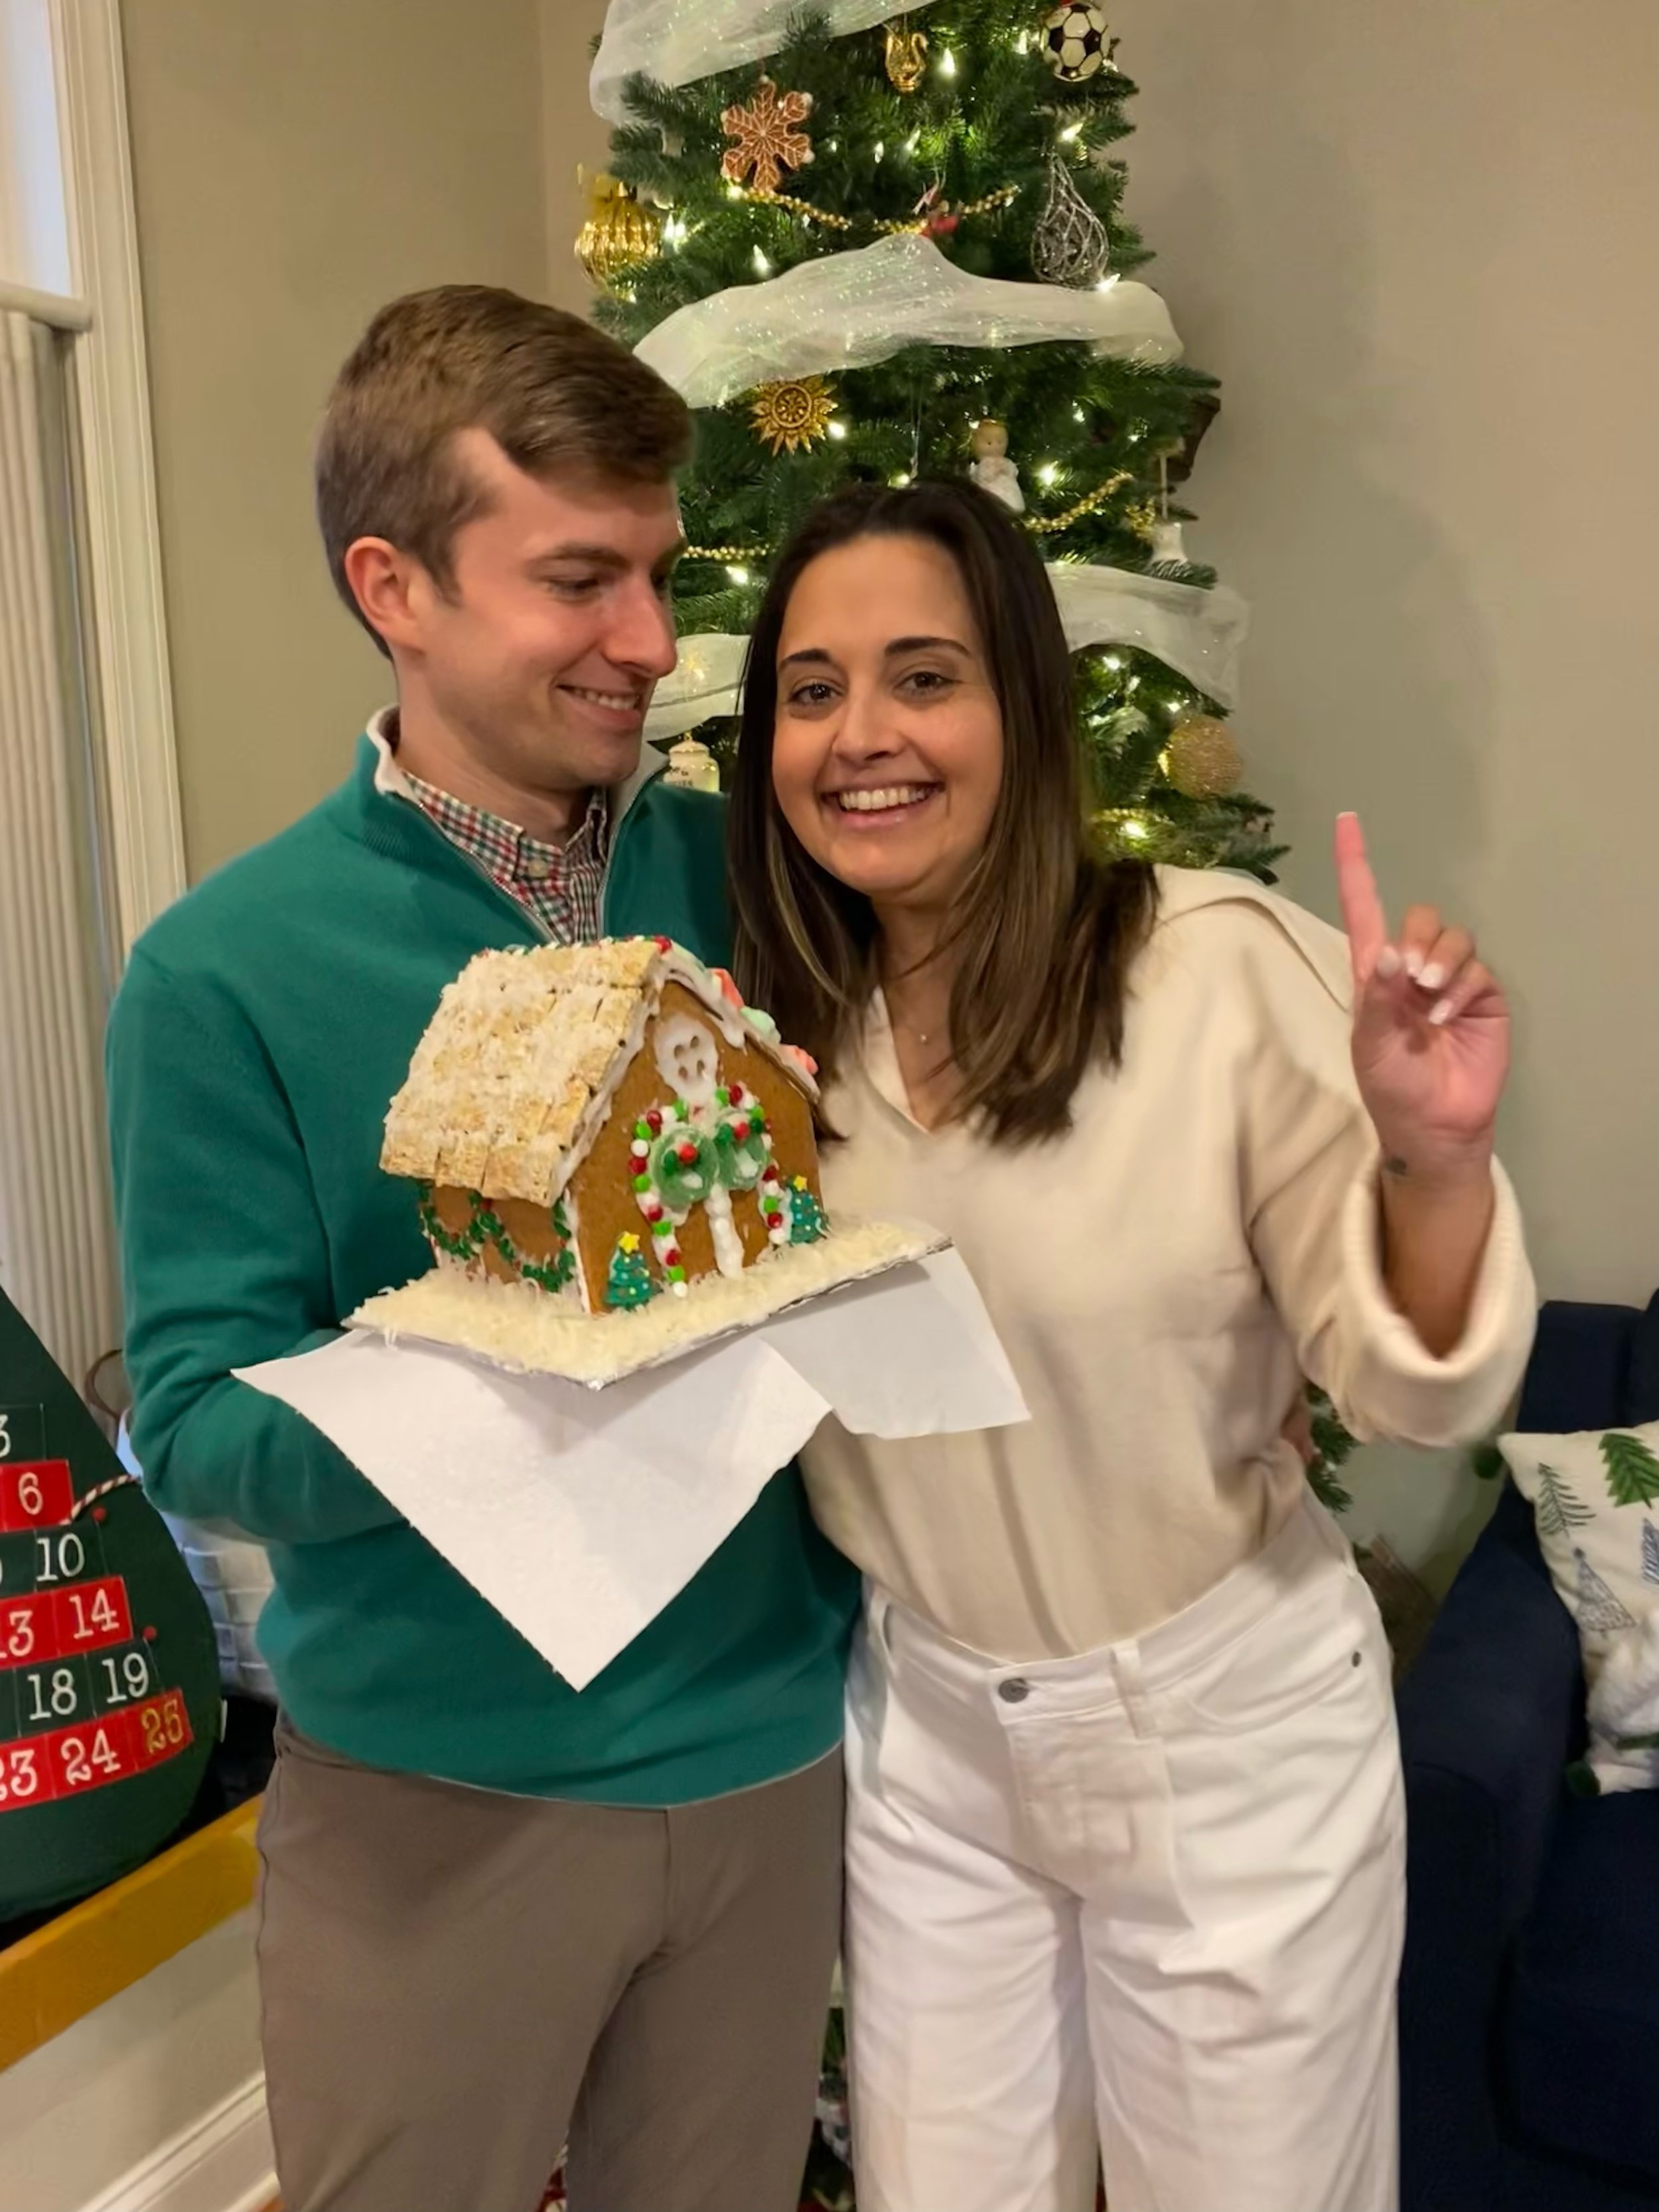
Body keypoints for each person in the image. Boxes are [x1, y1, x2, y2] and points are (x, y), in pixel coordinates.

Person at [106, 287, 858, 2212]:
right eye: (579, 579)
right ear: (398, 585)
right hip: (433, 1810)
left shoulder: (748, 872)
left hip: (768, 1763)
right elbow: (194, 1426)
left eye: (659, 577)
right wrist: (490, 1366)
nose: (651, 645)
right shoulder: (225, 969)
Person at [727, 477, 1536, 2212]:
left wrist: (1432, 1160)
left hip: (1222, 1737)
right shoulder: (777, 1049)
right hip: (932, 1734)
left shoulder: (1208, 974)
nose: (859, 736)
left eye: (921, 675)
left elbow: (1414, 1388)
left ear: (1023, 704)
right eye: (809, 691)